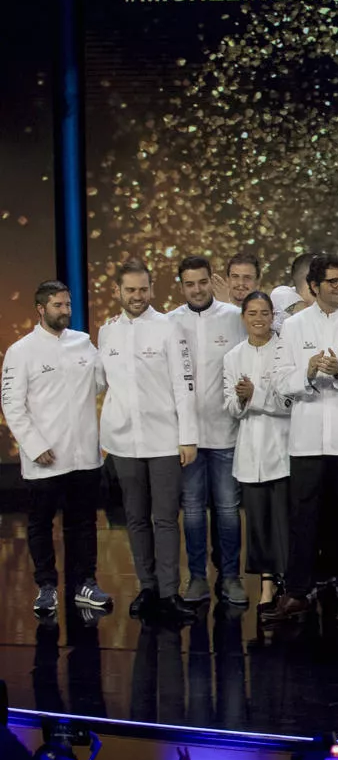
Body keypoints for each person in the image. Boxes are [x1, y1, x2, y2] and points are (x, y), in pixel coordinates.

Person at [271, 253, 338, 623]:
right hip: (306, 440)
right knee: (304, 519)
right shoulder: (294, 325)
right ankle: (298, 591)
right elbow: (281, 382)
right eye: (332, 281)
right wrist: (309, 370)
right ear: (313, 286)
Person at [97, 261, 198, 621]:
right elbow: (100, 382)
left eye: (143, 290)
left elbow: (185, 385)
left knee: (166, 519)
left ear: (151, 290)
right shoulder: (106, 332)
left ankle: (171, 592)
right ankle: (148, 588)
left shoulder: (170, 329)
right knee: (135, 519)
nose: (137, 297)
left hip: (165, 440)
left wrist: (188, 438)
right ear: (118, 293)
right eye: (130, 291)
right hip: (123, 442)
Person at [3, 280, 110, 615]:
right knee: (40, 523)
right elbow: (11, 403)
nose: (66, 311)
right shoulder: (21, 351)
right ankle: (46, 587)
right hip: (45, 458)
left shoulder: (82, 343)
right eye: (58, 306)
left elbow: (101, 381)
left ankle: (85, 584)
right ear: (40, 309)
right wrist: (34, 446)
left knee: (84, 523)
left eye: (68, 305)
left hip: (84, 456)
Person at [169, 255, 246, 607]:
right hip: (188, 438)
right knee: (194, 510)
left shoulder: (234, 318)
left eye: (202, 282)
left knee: (229, 510)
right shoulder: (169, 323)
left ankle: (230, 577)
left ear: (211, 280)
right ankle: (198, 578)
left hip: (228, 432)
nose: (197, 289)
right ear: (181, 285)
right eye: (189, 283)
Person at [222, 292, 291, 615]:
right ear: (243, 317)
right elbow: (230, 408)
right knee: (259, 524)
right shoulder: (233, 356)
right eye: (252, 313)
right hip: (250, 452)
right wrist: (240, 399)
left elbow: (290, 403)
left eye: (265, 312)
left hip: (284, 449)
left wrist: (256, 394)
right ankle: (266, 583)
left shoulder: (285, 351)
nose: (259, 318)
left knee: (285, 521)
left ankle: (290, 582)